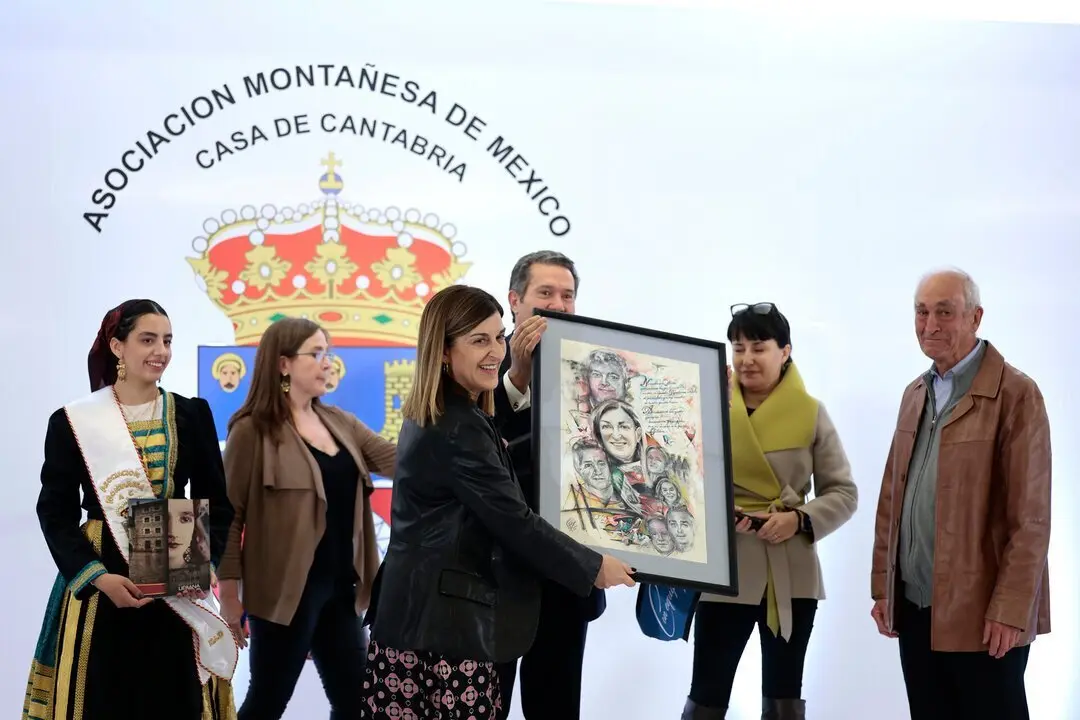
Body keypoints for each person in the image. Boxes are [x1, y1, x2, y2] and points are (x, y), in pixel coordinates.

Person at [360, 284, 636, 719]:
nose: (495, 350)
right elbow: (514, 521)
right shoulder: (458, 427)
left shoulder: (446, 413)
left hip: (421, 621)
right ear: (445, 351)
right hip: (442, 632)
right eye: (479, 340)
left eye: (498, 336)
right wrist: (595, 566)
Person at [24, 299, 238, 720]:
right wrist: (97, 577)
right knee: (104, 694)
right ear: (117, 346)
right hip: (102, 575)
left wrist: (203, 559)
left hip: (177, 569)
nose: (160, 351)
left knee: (175, 696)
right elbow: (55, 512)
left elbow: (220, 503)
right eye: (147, 339)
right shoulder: (73, 421)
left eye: (167, 341)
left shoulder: (191, 413)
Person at [870, 269, 1052, 720]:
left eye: (945, 312)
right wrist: (883, 588)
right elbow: (892, 499)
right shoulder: (915, 394)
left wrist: (1010, 611)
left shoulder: (1016, 394)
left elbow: (1031, 521)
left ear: (976, 316)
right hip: (915, 611)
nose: (930, 324)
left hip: (983, 619)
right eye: (922, 312)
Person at [683, 302, 858, 720]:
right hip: (725, 570)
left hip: (791, 571)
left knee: (784, 693)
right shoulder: (706, 404)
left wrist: (798, 519)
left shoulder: (811, 412)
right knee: (707, 691)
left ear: (786, 351)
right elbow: (679, 479)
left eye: (758, 347)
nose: (746, 359)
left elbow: (843, 492)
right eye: (737, 348)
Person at [217, 317, 397, 719]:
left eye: (328, 353)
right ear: (283, 364)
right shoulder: (251, 431)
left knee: (358, 704)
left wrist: (452, 440)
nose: (327, 362)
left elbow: (398, 459)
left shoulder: (340, 422)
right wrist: (229, 595)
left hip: (341, 590)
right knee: (267, 700)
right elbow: (229, 517)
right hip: (283, 593)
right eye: (315, 354)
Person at [491, 250, 607, 720]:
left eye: (568, 295)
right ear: (515, 301)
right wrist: (517, 375)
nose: (558, 304)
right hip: (495, 580)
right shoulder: (481, 360)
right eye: (546, 293)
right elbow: (479, 444)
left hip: (564, 578)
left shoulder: (602, 372)